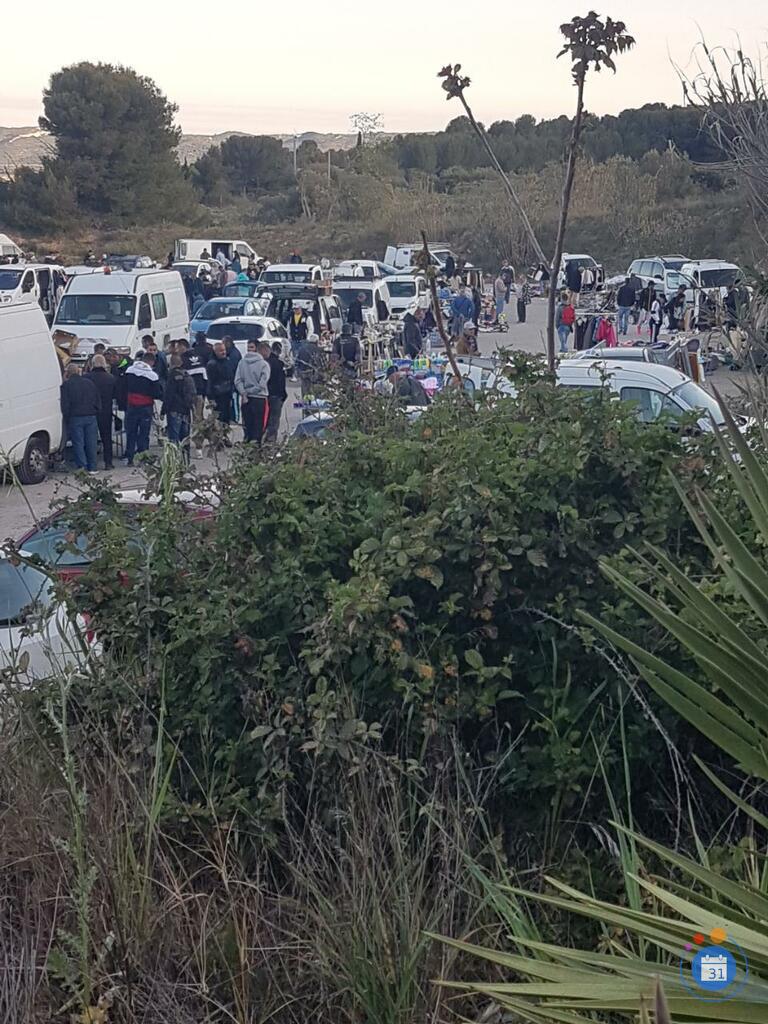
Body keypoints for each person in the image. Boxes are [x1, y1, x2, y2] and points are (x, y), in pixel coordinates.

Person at [122, 353, 162, 465]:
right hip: (145, 407)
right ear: (152, 362)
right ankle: (143, 457)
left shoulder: (129, 370)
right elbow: (157, 393)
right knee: (144, 434)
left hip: (131, 405)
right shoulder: (152, 375)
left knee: (131, 432)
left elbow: (123, 387)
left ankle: (130, 458)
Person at [60, 364, 101, 472]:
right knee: (91, 442)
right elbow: (97, 399)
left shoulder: (66, 386)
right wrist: (96, 411)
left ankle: (82, 467)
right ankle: (93, 467)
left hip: (75, 417)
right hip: (91, 415)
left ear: (67, 373)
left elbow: (65, 404)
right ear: (79, 372)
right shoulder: (89, 383)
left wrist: (67, 416)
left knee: (78, 443)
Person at [235, 339, 270, 444]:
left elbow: (237, 381)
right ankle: (256, 451)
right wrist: (253, 390)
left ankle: (248, 449)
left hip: (246, 399)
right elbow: (263, 383)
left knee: (248, 426)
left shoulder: (241, 363)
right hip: (260, 398)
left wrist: (244, 392)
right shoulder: (264, 364)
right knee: (259, 427)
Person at [85, 354, 117, 470]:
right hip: (106, 411)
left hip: (91, 411)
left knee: (90, 438)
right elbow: (115, 395)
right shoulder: (111, 378)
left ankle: (91, 463)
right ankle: (108, 462)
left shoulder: (87, 378)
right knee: (106, 437)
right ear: (104, 364)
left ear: (92, 364)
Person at [162, 354, 196, 457]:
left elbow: (169, 394)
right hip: (186, 410)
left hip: (174, 409)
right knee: (185, 437)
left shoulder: (172, 375)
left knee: (174, 438)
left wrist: (163, 410)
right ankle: (186, 459)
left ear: (171, 364)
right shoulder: (186, 374)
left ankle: (174, 461)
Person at [206, 342, 236, 427]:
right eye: (221, 351)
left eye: (224, 350)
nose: (223, 352)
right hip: (218, 395)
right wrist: (211, 398)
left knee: (226, 419)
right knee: (219, 420)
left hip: (227, 394)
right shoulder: (212, 364)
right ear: (215, 352)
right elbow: (210, 382)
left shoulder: (227, 361)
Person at [266, 342, 288, 442]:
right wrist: (283, 395)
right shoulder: (279, 364)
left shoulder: (265, 362)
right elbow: (281, 382)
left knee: (266, 418)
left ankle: (264, 438)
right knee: (274, 419)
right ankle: (271, 440)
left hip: (266, 394)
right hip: (276, 395)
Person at [297, 332, 325, 399]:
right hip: (315, 375)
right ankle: (314, 407)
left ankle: (306, 407)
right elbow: (323, 364)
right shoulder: (319, 350)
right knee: (315, 393)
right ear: (317, 341)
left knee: (305, 391)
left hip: (303, 373)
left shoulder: (301, 349)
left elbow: (297, 362)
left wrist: (298, 372)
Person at [223, 336, 242, 421]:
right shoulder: (229, 352)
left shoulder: (234, 354)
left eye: (224, 343)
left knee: (234, 400)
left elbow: (232, 368)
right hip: (229, 382)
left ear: (228, 343)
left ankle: (236, 418)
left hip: (233, 382)